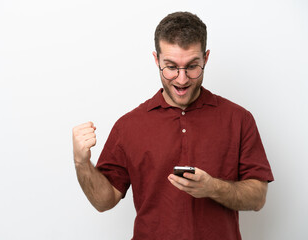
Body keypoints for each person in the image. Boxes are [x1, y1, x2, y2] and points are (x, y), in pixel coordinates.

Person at [72, 11, 274, 240]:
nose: (181, 79)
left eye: (192, 66)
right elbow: (103, 200)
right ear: (156, 59)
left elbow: (258, 198)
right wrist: (82, 162)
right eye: (170, 67)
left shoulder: (239, 119)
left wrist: (213, 188)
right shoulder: (128, 126)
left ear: (206, 58)